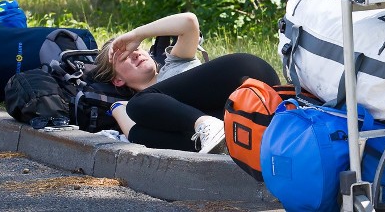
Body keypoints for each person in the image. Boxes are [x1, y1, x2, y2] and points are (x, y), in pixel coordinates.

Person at [94, 13, 279, 153]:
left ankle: (207, 125)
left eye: (136, 48)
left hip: (248, 77)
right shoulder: (132, 106)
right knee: (141, 131)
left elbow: (189, 21)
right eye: (123, 56)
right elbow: (133, 134)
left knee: (139, 104)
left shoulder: (175, 61)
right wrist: (119, 106)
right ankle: (217, 132)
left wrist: (138, 34)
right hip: (247, 120)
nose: (134, 53)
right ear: (118, 80)